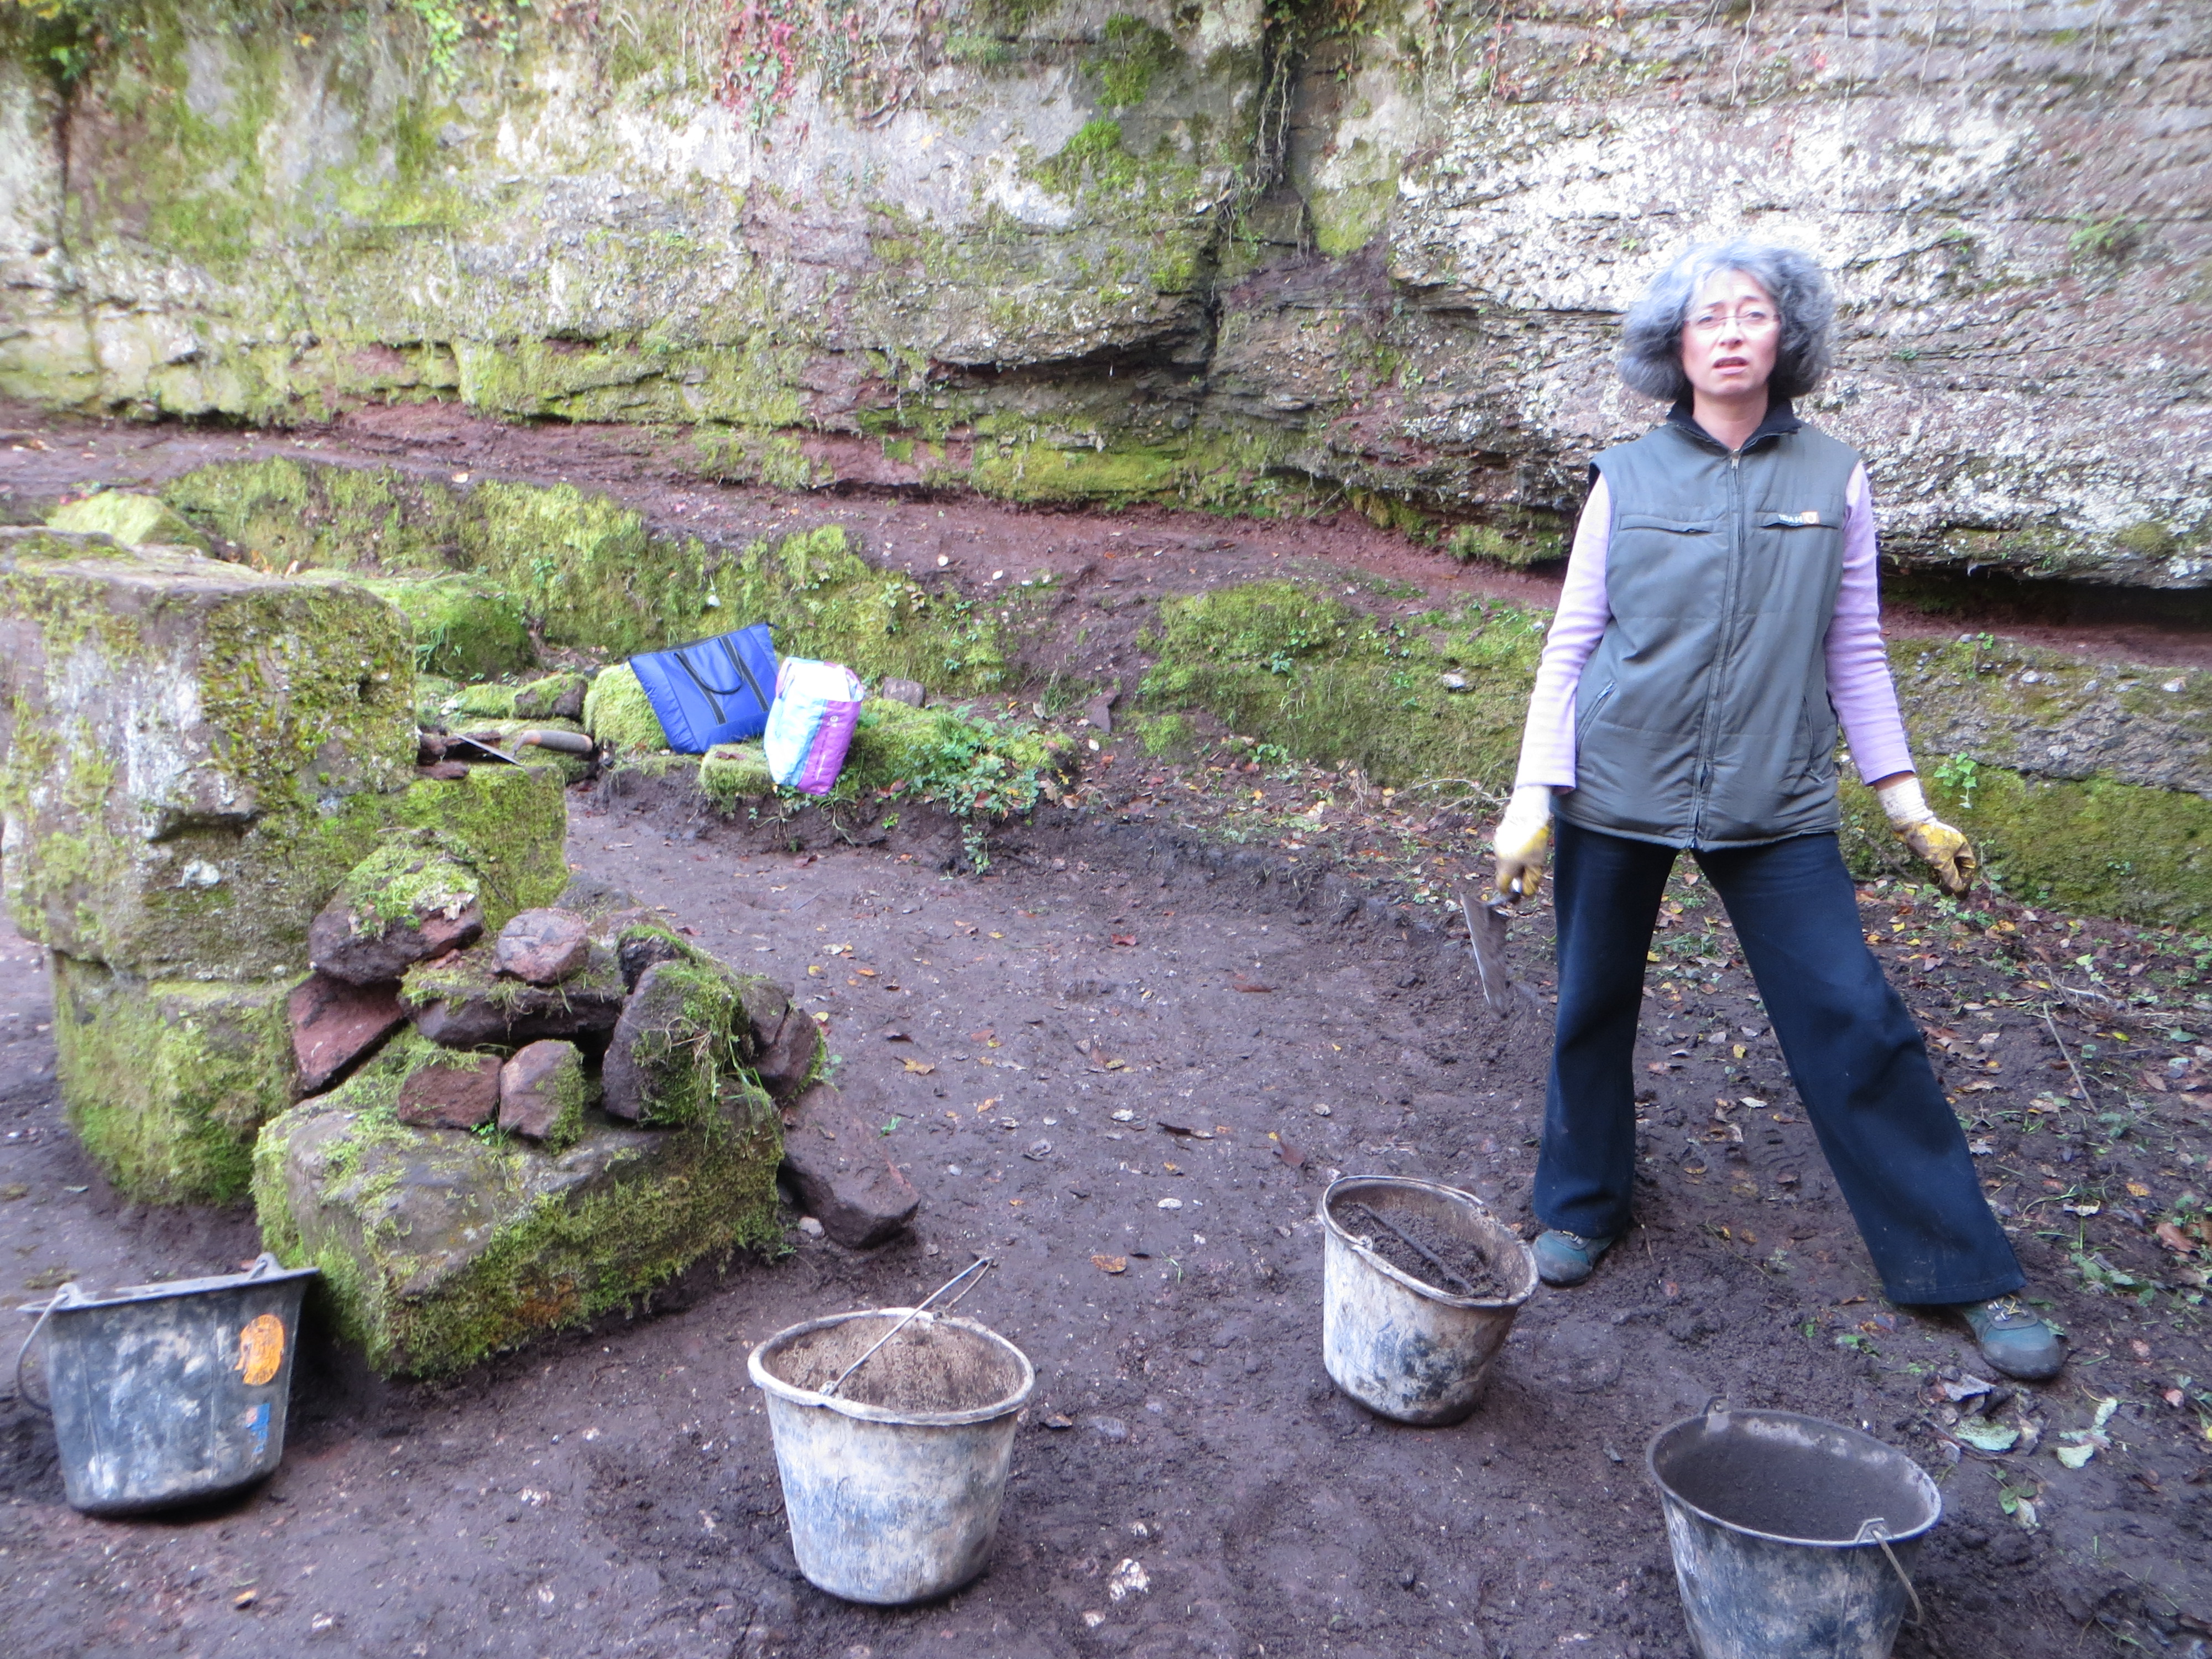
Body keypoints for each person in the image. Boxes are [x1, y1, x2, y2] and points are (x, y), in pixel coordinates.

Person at [1490, 239, 2063, 1383]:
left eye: (1751, 314)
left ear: (1784, 337)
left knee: (1853, 1014)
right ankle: (1580, 1205)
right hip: (1618, 787)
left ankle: (1959, 1265)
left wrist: (1907, 805)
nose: (1730, 333)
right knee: (1591, 1003)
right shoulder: (1623, 478)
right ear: (1674, 346)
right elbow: (1571, 647)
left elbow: (1854, 652)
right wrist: (1531, 796)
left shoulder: (1834, 477)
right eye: (1708, 317)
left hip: (1777, 796)